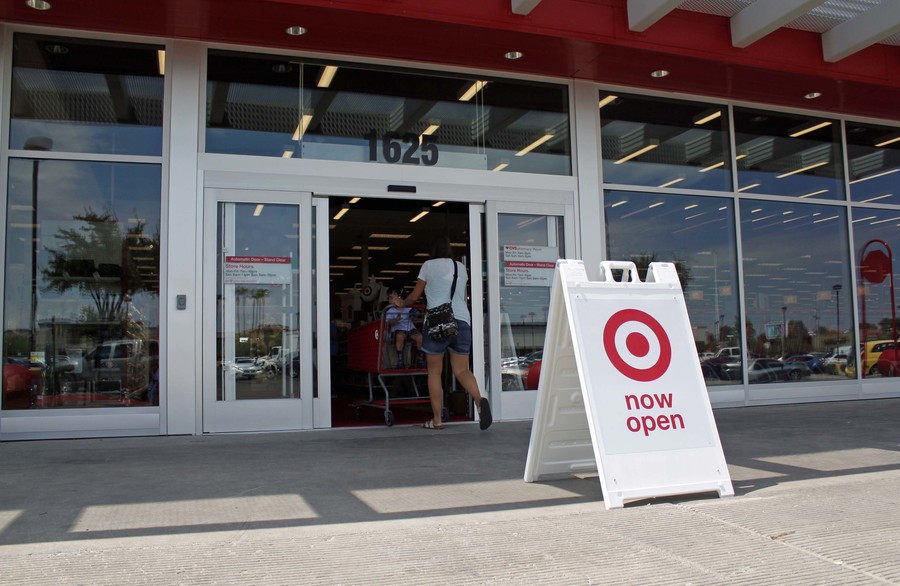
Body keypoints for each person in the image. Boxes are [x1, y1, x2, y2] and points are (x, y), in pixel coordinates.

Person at [394, 235, 492, 430]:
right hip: (462, 322)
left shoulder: (428, 266)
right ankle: (480, 401)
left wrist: (401, 304)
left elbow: (414, 296)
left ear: (431, 250)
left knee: (434, 372)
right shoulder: (461, 267)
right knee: (462, 370)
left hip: (438, 322)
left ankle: (437, 420)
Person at [384, 289, 423, 369]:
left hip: (410, 329)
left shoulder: (409, 308)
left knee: (420, 337)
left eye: (392, 298)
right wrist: (396, 320)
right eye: (389, 298)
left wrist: (415, 314)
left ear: (400, 298)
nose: (390, 301)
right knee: (400, 337)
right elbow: (388, 322)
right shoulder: (390, 310)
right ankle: (400, 360)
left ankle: (420, 358)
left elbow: (418, 314)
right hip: (398, 330)